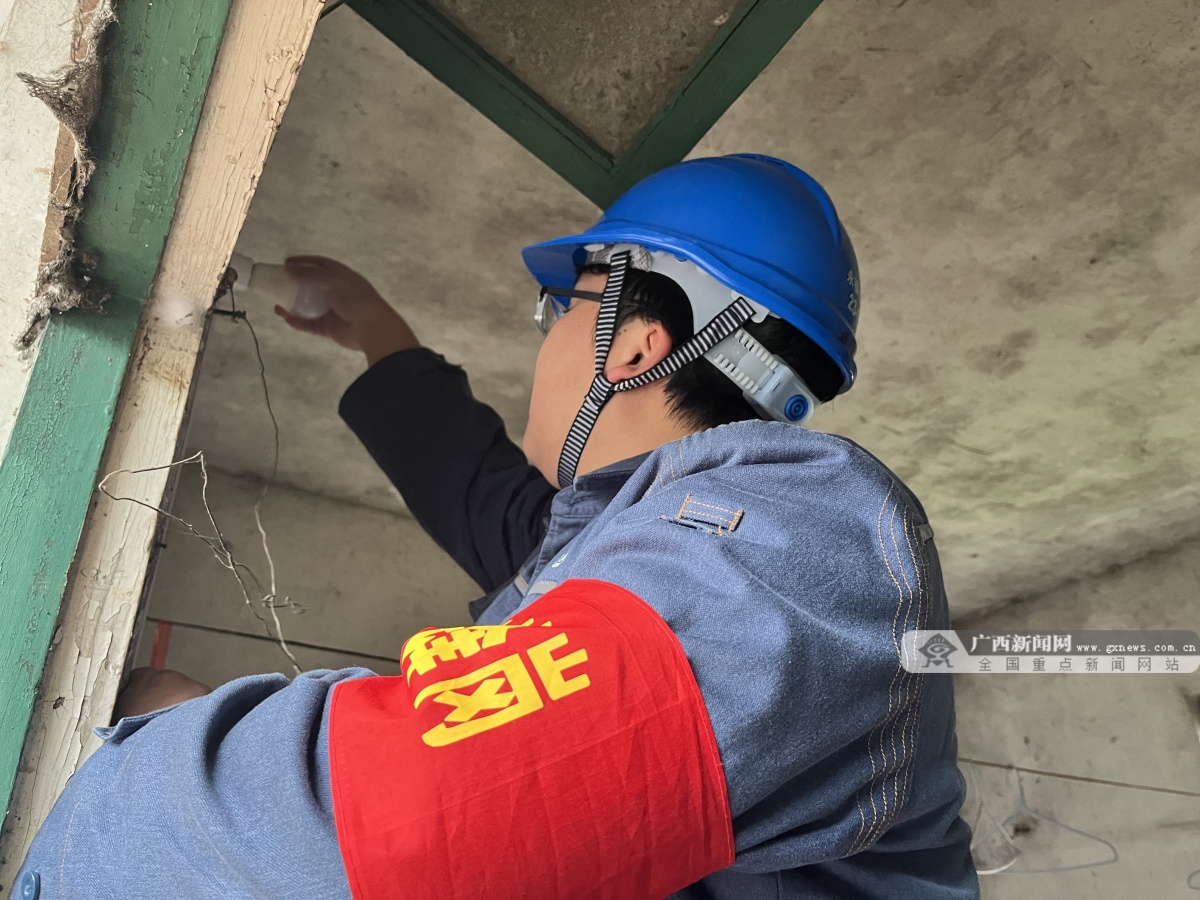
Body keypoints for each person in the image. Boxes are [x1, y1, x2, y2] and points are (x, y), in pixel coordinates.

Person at [10, 155, 979, 899]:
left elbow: (406, 822)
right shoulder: (641, 548)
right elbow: (487, 500)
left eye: (562, 307)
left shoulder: (802, 544)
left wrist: (141, 767)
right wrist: (374, 328)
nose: (546, 338)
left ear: (635, 343)